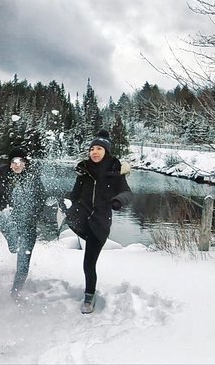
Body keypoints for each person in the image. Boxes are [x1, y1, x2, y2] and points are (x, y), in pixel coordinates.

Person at [64, 129, 132, 314]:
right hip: (81, 218)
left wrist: (118, 201)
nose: (94, 152)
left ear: (106, 151)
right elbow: (74, 195)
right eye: (92, 148)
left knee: (89, 263)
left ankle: (89, 295)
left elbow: (127, 192)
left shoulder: (115, 172)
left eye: (99, 149)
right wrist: (66, 200)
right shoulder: (84, 171)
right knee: (69, 218)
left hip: (99, 223)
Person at [0, 147, 46, 299]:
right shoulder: (5, 178)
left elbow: (41, 200)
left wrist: (34, 215)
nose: (17, 165)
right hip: (11, 219)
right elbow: (0, 198)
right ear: (10, 164)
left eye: (20, 161)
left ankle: (15, 294)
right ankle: (13, 242)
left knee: (23, 263)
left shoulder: (33, 179)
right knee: (4, 215)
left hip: (28, 224)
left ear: (25, 163)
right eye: (13, 162)